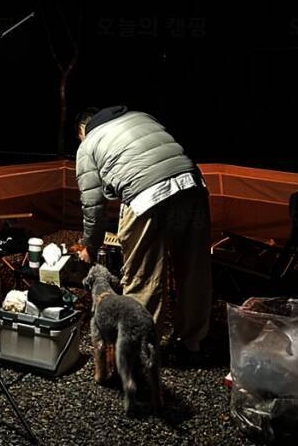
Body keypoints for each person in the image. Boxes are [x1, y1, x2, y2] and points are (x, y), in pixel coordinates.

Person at [75, 105, 212, 354]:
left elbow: (93, 206)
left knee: (144, 276)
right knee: (194, 270)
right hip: (192, 186)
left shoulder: (89, 143)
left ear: (84, 130)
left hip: (145, 196)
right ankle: (192, 340)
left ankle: (138, 350)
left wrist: (90, 247)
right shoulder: (141, 117)